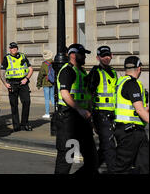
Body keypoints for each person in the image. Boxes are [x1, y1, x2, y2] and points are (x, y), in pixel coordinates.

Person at [54, 43, 98, 174]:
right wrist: (80, 109)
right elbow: (64, 93)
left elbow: (87, 95)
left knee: (92, 157)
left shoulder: (82, 72)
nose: (84, 56)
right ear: (73, 55)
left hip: (82, 120)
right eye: (82, 54)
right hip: (69, 120)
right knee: (67, 157)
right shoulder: (68, 70)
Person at [112, 56, 148, 174]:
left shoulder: (121, 82)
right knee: (121, 168)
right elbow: (140, 111)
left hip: (135, 131)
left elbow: (137, 108)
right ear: (139, 68)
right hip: (130, 132)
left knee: (144, 166)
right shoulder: (132, 84)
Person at [86, 45, 117, 173]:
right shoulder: (95, 72)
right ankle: (113, 171)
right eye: (103, 56)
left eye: (108, 55)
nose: (106, 58)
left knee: (105, 145)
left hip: (113, 114)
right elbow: (89, 95)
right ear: (98, 57)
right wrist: (91, 118)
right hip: (100, 114)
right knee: (109, 145)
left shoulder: (114, 72)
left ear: (112, 56)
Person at [0, 42, 33, 132]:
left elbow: (30, 69)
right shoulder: (7, 58)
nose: (13, 49)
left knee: (27, 102)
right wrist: (5, 83)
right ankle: (16, 126)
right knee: (14, 105)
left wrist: (26, 78)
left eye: (14, 48)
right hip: (12, 83)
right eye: (11, 48)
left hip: (23, 83)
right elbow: (2, 72)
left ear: (17, 49)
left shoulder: (22, 56)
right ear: (9, 49)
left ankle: (24, 124)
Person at [36, 50, 55, 119]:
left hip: (45, 83)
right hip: (53, 82)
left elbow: (40, 75)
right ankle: (57, 110)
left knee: (47, 99)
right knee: (52, 97)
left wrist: (38, 84)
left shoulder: (44, 64)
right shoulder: (54, 63)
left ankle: (47, 113)